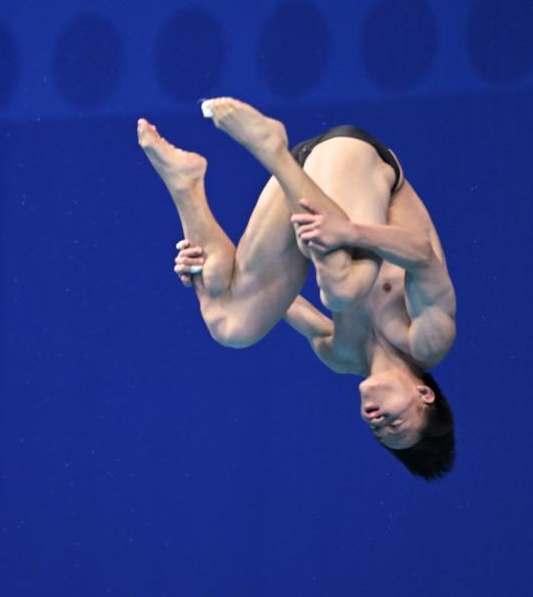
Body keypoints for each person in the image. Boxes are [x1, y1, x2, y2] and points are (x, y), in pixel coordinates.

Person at [137, 98, 456, 479]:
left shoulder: (340, 354)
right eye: (397, 425)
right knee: (343, 289)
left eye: (378, 432)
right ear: (424, 395)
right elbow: (422, 254)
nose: (379, 421)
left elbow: (277, 301)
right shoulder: (428, 342)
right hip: (353, 158)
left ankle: (186, 185)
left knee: (231, 325)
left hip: (300, 175)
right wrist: (350, 232)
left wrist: (205, 272)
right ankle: (271, 148)